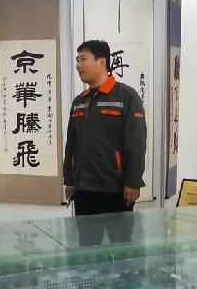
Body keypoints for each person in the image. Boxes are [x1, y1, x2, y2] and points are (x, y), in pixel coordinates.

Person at [63, 39, 147, 246]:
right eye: (77, 60)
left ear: (101, 62)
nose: (78, 65)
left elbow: (136, 142)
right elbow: (71, 143)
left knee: (120, 247)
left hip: (116, 190)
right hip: (84, 189)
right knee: (87, 247)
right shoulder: (80, 101)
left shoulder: (126, 96)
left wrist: (133, 182)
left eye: (83, 59)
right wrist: (70, 179)